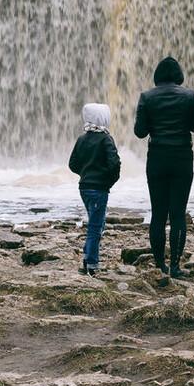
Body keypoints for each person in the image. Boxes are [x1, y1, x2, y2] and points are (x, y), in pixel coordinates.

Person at [134, 56, 194, 282]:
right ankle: (175, 266)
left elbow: (140, 132)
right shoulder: (190, 96)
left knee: (158, 213)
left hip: (156, 157)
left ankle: (159, 265)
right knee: (178, 214)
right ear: (178, 76)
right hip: (182, 158)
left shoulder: (146, 97)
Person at [68, 103, 120, 275]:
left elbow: (72, 164)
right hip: (99, 188)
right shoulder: (106, 139)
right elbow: (114, 164)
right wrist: (108, 181)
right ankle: (91, 264)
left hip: (84, 187)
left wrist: (85, 173)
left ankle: (87, 257)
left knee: (95, 223)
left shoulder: (82, 139)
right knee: (95, 227)